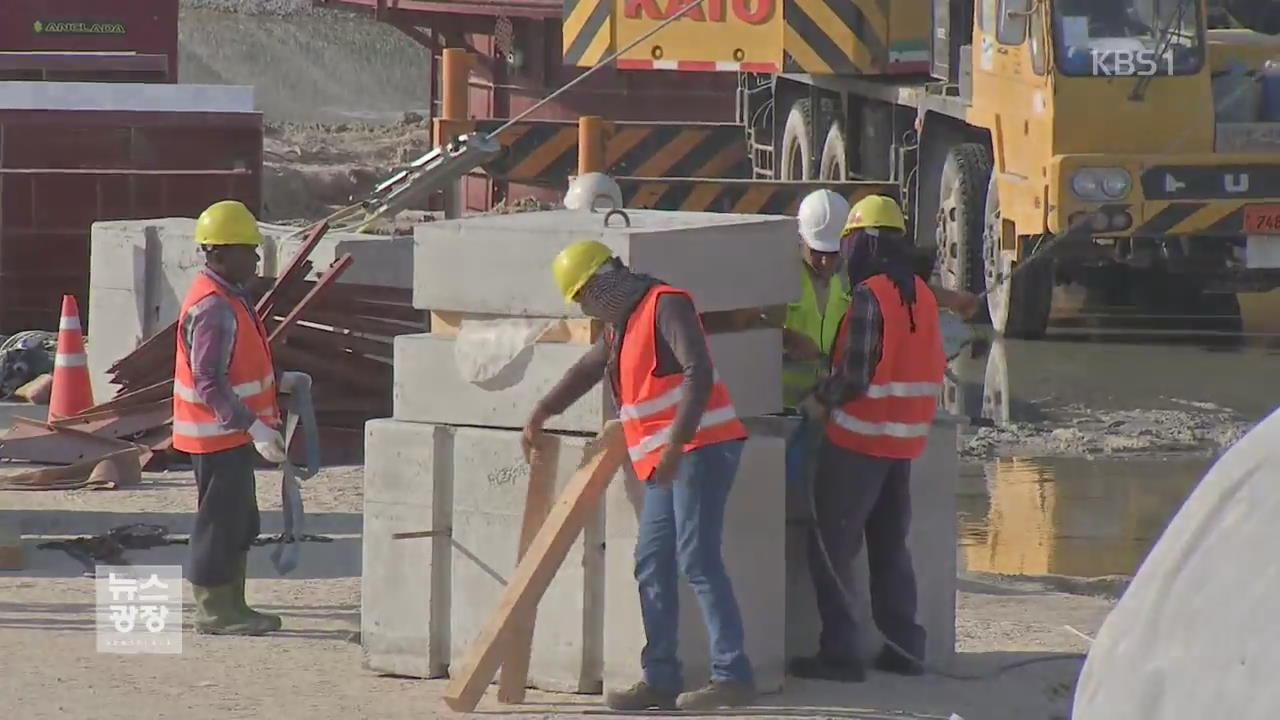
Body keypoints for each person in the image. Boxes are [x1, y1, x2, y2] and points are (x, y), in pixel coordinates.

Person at [522, 240, 756, 711]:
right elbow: (590, 368)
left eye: (584, 295)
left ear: (604, 281)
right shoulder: (621, 325)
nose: (585, 307)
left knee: (697, 559)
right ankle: (661, 677)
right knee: (652, 562)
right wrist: (541, 411)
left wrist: (674, 444)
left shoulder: (665, 304)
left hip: (701, 448)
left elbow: (698, 372)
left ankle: (733, 675)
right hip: (666, 460)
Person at [789, 194, 947, 683]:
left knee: (832, 548)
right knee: (889, 546)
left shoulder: (869, 296)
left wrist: (816, 403)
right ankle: (905, 647)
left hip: (858, 441)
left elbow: (855, 376)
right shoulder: (920, 292)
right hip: (903, 443)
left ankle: (841, 653)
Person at [175, 199, 305, 636]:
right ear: (220, 252)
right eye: (248, 250)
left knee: (238, 519)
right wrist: (254, 427)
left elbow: (241, 364)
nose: (254, 259)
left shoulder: (231, 297)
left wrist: (282, 383)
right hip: (218, 434)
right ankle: (214, 610)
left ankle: (233, 603)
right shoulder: (213, 307)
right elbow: (209, 381)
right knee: (220, 522)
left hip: (230, 434)